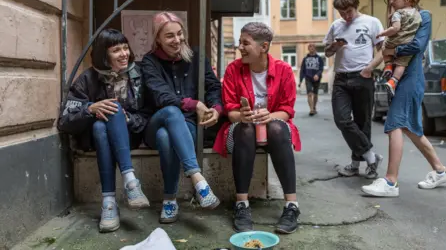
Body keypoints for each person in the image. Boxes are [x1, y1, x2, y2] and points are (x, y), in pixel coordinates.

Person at [361, 0, 446, 197]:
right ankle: (440, 171)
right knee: (411, 129)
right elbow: (388, 48)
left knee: (394, 123)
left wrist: (393, 51)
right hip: (401, 76)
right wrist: (381, 63)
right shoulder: (398, 18)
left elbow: (418, 45)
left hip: (412, 76)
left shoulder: (424, 16)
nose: (392, 1)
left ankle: (391, 182)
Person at [58, 29, 150, 233]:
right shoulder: (87, 78)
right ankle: (130, 184)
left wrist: (127, 119)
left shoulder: (138, 75)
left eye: (126, 48)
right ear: (104, 55)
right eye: (116, 50)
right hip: (96, 140)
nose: (124, 53)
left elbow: (148, 114)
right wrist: (89, 109)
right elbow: (64, 120)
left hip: (130, 137)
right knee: (100, 124)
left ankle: (109, 201)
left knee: (114, 110)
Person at [213, 22, 302, 234]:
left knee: (277, 129)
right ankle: (241, 204)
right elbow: (230, 111)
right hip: (241, 132)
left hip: (274, 129)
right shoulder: (233, 70)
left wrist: (269, 116)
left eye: (245, 43)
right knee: (245, 129)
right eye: (239, 43)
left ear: (263, 47)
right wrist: (242, 115)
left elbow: (287, 110)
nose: (240, 48)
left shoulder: (284, 70)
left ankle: (291, 206)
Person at [142, 12, 222, 224]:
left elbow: (213, 85)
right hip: (156, 121)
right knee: (171, 111)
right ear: (158, 38)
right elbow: (161, 95)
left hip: (186, 126)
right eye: (169, 36)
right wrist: (194, 104)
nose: (177, 40)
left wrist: (216, 108)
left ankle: (169, 201)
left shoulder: (196, 56)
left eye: (179, 33)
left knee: (166, 138)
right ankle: (198, 179)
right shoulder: (149, 62)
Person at [324, 0, 385, 179]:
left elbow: (383, 50)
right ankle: (371, 156)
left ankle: (357, 165)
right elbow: (327, 52)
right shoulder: (336, 25)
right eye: (342, 13)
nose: (346, 16)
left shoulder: (372, 22)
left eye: (348, 11)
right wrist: (334, 46)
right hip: (341, 78)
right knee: (342, 119)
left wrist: (370, 68)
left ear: (356, 6)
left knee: (363, 122)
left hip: (363, 76)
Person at [377, 0, 423, 96]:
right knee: (402, 64)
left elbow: (395, 28)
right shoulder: (418, 15)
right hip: (407, 42)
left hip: (395, 41)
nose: (392, 2)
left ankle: (387, 66)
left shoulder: (399, 13)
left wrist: (383, 33)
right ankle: (393, 81)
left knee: (384, 47)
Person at [299, 43, 324, 116]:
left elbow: (321, 68)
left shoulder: (319, 58)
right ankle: (311, 109)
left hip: (317, 78)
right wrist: (300, 81)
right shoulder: (305, 59)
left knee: (315, 94)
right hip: (308, 78)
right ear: (308, 49)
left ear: (315, 48)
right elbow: (302, 70)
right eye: (310, 47)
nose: (311, 48)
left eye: (313, 47)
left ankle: (314, 106)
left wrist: (317, 75)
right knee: (309, 93)